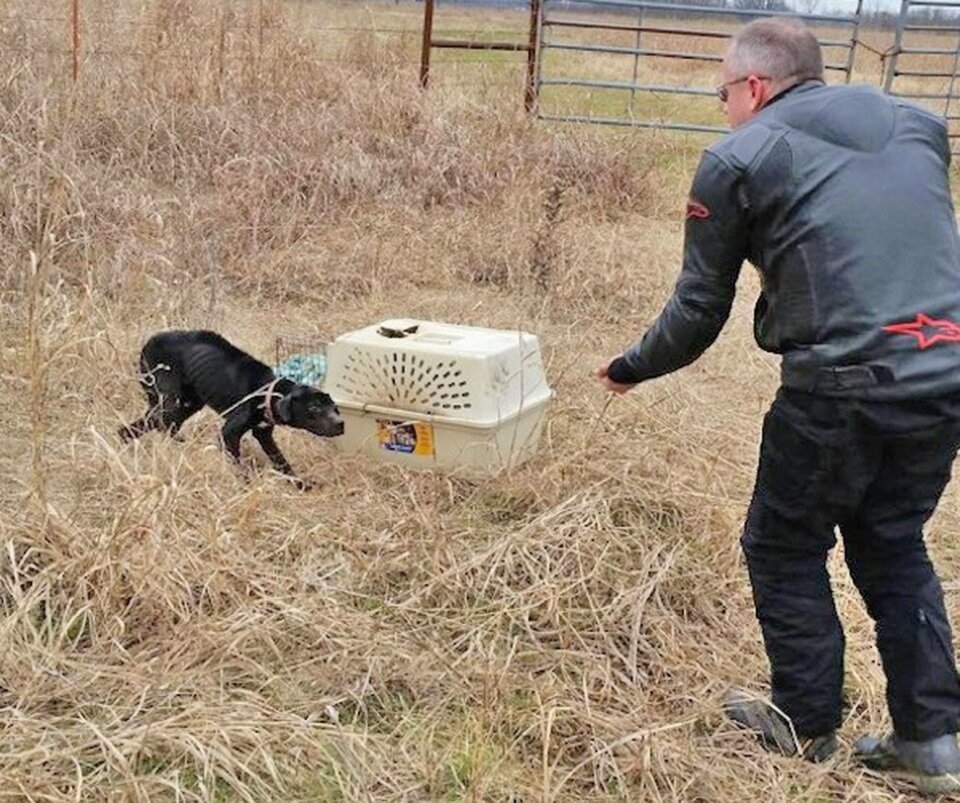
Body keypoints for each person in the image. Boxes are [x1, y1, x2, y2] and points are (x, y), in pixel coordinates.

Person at [596, 17, 960, 794]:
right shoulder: (920, 127)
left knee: (784, 544)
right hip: (944, 375)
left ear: (753, 87)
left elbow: (698, 311)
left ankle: (805, 721)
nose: (722, 106)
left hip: (838, 388)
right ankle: (931, 741)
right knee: (893, 542)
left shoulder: (739, 155)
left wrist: (630, 366)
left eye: (722, 91)